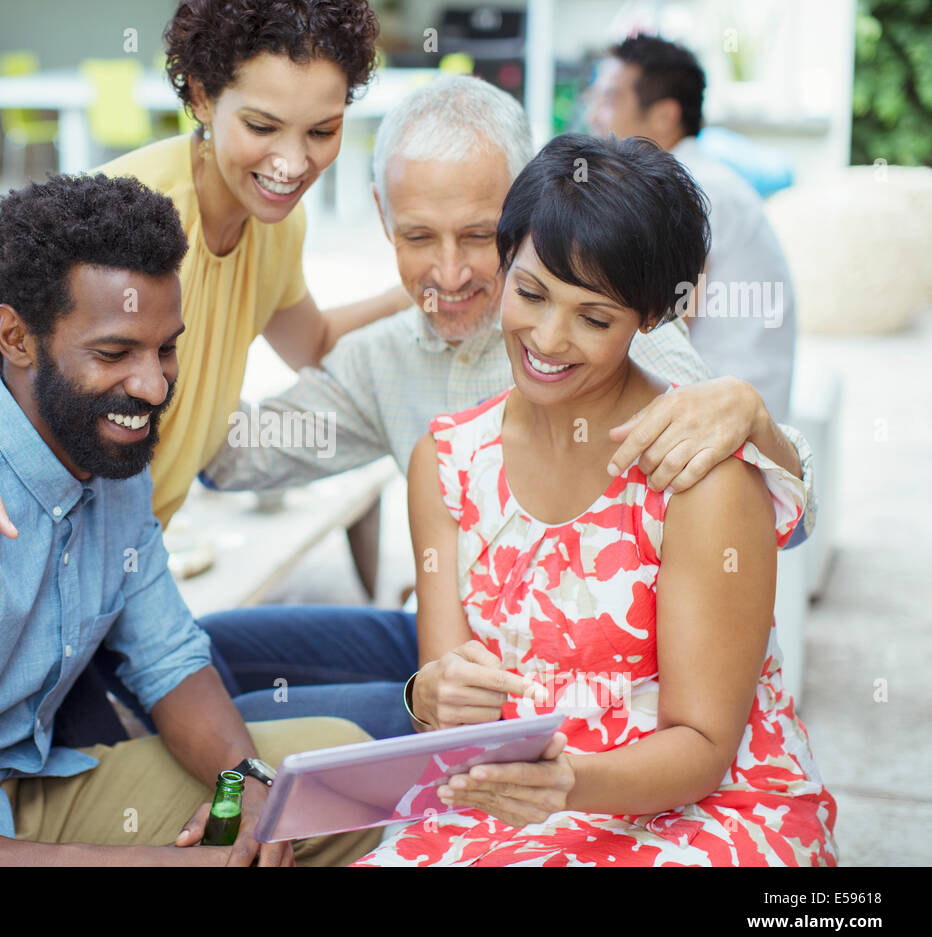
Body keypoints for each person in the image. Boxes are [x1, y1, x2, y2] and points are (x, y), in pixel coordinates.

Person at [0, 173, 379, 867]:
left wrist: (245, 786)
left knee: (337, 782)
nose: (152, 385)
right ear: (16, 338)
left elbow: (169, 660)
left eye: (165, 347)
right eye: (114, 353)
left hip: (11, 790)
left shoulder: (113, 459)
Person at [188, 76, 819, 739]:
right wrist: (229, 270)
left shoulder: (605, 335)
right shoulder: (380, 361)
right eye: (420, 237)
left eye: (478, 236)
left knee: (263, 736)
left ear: (525, 211)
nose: (453, 271)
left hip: (595, 693)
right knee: (196, 659)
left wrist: (753, 419)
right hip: (458, 652)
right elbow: (225, 462)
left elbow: (773, 516)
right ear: (382, 217)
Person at [355, 134, 836, 866]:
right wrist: (431, 696)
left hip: (704, 814)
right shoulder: (447, 464)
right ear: (503, 264)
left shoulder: (695, 470)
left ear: (649, 318)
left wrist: (567, 782)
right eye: (532, 293)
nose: (548, 338)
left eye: (594, 317)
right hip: (508, 804)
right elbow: (453, 710)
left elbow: (704, 748)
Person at [0, 0, 407, 604]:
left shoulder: (276, 226)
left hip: (100, 563)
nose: (293, 163)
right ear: (200, 96)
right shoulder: (126, 221)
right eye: (262, 126)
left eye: (322, 131)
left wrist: (422, 289)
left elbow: (315, 344)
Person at [586, 34, 797, 420]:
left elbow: (669, 322)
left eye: (610, 99)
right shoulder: (694, 178)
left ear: (665, 115)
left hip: (723, 419)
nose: (594, 117)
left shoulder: (697, 188)